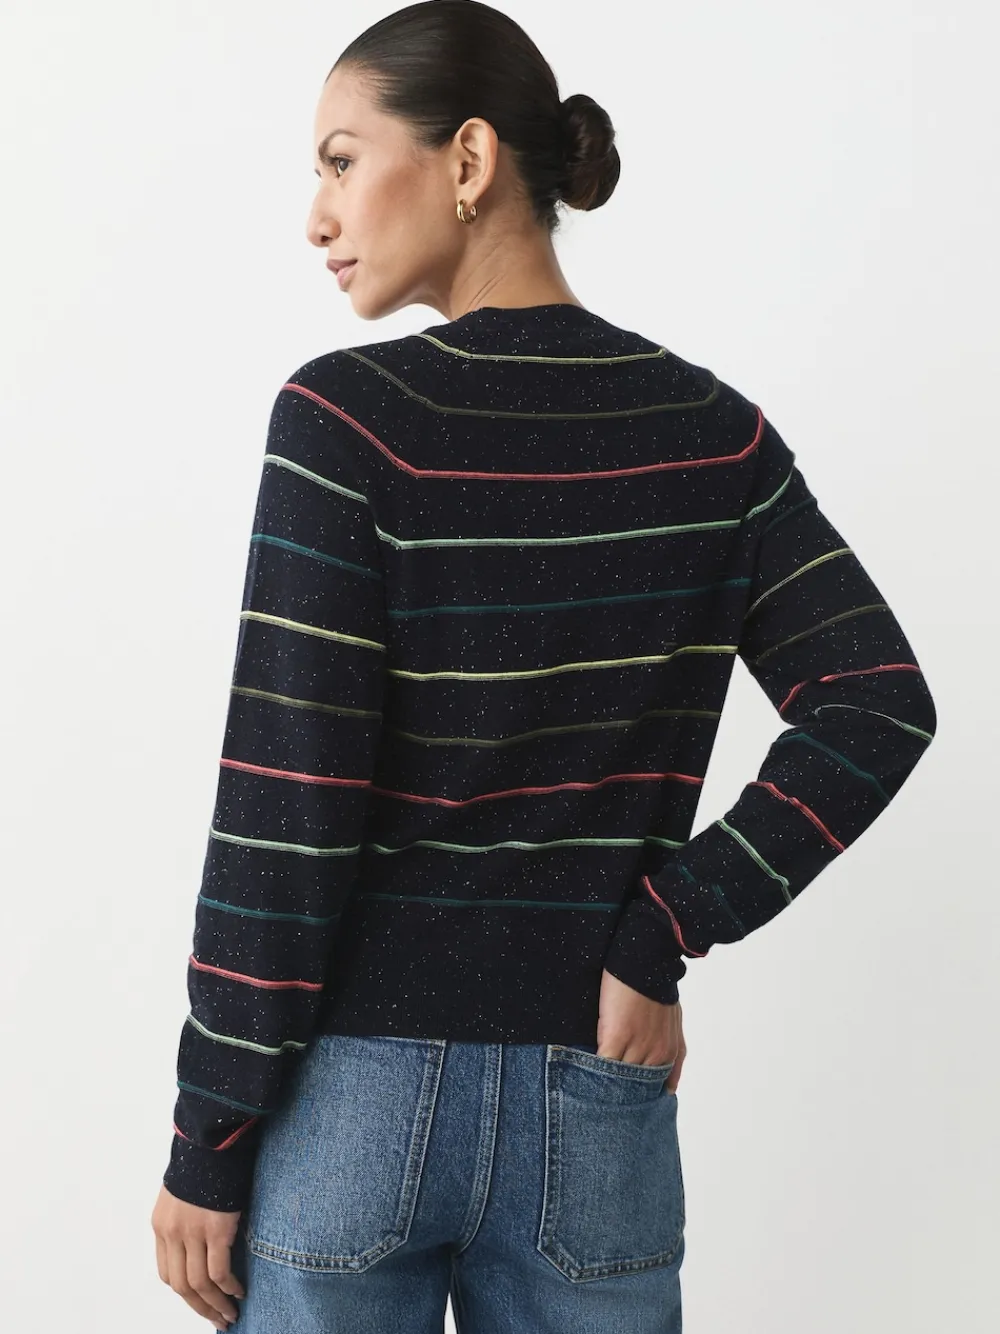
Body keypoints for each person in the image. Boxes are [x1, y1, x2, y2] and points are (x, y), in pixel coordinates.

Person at [150, 2, 937, 1330]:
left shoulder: (346, 425)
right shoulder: (711, 434)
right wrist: (663, 926)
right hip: (597, 1088)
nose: (316, 215)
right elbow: (876, 703)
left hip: (354, 1103)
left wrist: (207, 1134)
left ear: (467, 160)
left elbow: (288, 814)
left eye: (341, 161)